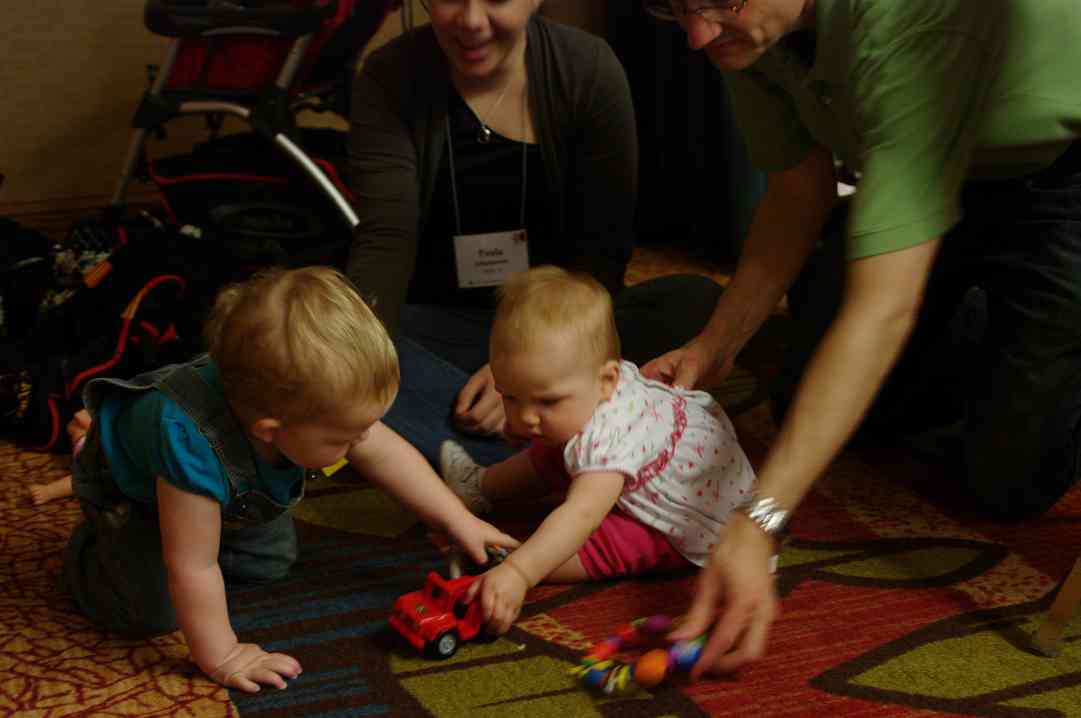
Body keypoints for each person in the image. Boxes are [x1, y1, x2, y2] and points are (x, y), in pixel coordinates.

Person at [636, 0, 1081, 679]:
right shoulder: (741, 31)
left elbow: (881, 309)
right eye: (671, 8)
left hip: (1059, 174)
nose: (695, 35)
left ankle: (1017, 347)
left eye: (721, 1)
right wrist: (714, 347)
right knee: (823, 409)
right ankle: (977, 338)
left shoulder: (908, 20)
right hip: (928, 170)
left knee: (1004, 482)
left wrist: (758, 522)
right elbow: (795, 188)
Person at [62, 266, 518, 693]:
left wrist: (458, 520)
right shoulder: (191, 445)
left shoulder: (294, 413)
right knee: (152, 610)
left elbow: (384, 452)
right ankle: (91, 555)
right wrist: (223, 655)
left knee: (272, 561)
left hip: (232, 485)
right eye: (344, 437)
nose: (361, 440)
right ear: (271, 431)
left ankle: (215, 523)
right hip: (131, 494)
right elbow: (192, 565)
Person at [346, 0, 725, 469]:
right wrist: (350, 352)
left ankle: (487, 445)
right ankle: (569, 445)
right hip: (442, 326)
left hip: (563, 329)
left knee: (696, 304)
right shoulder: (389, 75)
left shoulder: (587, 68)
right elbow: (386, 243)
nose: (471, 20)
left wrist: (522, 369)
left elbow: (601, 255)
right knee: (336, 340)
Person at [438, 266, 756, 633]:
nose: (525, 416)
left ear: (607, 381)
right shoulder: (588, 384)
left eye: (546, 401)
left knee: (609, 539)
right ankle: (481, 485)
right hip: (644, 469)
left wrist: (519, 572)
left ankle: (503, 561)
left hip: (683, 518)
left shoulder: (611, 439)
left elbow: (580, 515)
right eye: (510, 396)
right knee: (553, 446)